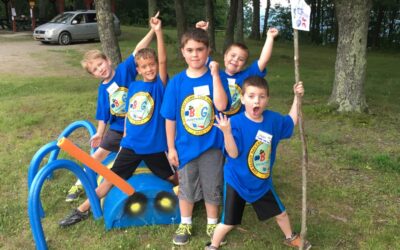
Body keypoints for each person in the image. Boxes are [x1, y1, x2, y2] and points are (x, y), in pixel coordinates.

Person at [59, 15, 177, 227]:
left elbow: (162, 60)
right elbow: (130, 117)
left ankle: (194, 195)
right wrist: (122, 136)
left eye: (152, 65)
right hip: (131, 146)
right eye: (144, 67)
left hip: (154, 148)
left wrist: (157, 32)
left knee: (172, 179)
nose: (150, 69)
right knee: (110, 180)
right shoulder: (132, 87)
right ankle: (82, 209)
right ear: (137, 70)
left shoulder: (160, 85)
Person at [205, 76, 311, 250]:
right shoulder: (236, 123)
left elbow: (291, 121)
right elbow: (233, 153)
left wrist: (297, 98)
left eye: (262, 96)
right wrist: (226, 132)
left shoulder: (272, 120)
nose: (257, 100)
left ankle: (290, 237)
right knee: (228, 222)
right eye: (252, 96)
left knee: (281, 213)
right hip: (237, 181)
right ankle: (213, 245)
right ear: (243, 98)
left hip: (261, 180)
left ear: (267, 100)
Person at [65, 15, 158, 202]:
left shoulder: (125, 70)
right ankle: (79, 184)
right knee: (98, 155)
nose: (100, 69)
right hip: (117, 129)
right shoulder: (103, 89)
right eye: (95, 70)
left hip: (137, 126)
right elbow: (103, 115)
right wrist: (99, 134)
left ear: (107, 60)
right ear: (93, 75)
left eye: (100, 64)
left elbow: (138, 50)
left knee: (151, 151)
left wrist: (153, 31)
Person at [160, 28, 230, 246]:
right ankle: (186, 222)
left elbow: (221, 105)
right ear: (182, 52)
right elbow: (170, 118)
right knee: (187, 186)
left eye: (200, 49)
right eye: (189, 50)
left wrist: (216, 74)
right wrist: (171, 147)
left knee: (212, 184)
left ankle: (212, 222)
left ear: (208, 50)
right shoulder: (177, 82)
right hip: (185, 146)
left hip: (211, 145)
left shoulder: (217, 78)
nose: (195, 54)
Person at [196, 20, 279, 116]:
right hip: (218, 125)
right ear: (225, 56)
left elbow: (263, 60)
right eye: (233, 55)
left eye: (241, 59)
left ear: (244, 64)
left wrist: (270, 37)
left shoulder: (247, 76)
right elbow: (202, 52)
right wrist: (201, 32)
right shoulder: (215, 72)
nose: (235, 60)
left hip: (239, 126)